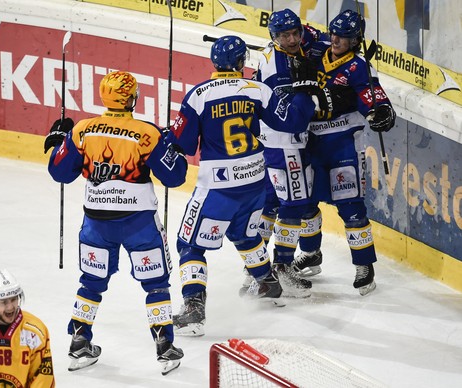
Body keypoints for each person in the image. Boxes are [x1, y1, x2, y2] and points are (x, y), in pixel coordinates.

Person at [170, 35, 343, 336]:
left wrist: (170, 134)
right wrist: (303, 92)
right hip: (254, 183)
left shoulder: (198, 95)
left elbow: (184, 144)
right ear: (241, 63)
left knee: (190, 244)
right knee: (246, 235)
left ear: (214, 62)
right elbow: (291, 122)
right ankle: (268, 283)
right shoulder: (257, 90)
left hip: (218, 187)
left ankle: (194, 308)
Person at [44, 71, 188, 375]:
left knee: (91, 282)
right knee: (156, 284)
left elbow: (60, 173)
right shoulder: (146, 133)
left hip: (96, 224)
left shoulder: (83, 130)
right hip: (139, 225)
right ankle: (165, 346)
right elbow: (175, 178)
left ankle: (80, 340)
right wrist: (170, 146)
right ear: (132, 98)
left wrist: (60, 142)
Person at [292, 9, 396, 295]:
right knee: (306, 202)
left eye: (345, 37)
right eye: (334, 33)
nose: (337, 39)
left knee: (351, 208)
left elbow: (373, 98)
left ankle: (364, 266)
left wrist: (381, 112)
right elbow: (299, 31)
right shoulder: (318, 49)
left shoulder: (358, 68)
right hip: (311, 142)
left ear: (355, 40)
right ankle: (311, 253)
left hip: (343, 144)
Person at [250, 8, 332, 297]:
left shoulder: (286, 49)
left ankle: (258, 270)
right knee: (294, 205)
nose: (293, 38)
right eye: (285, 35)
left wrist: (321, 45)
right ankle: (282, 268)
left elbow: (317, 38)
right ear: (274, 37)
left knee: (272, 202)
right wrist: (308, 93)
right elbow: (293, 117)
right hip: (286, 143)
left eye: (295, 33)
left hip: (274, 143)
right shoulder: (277, 68)